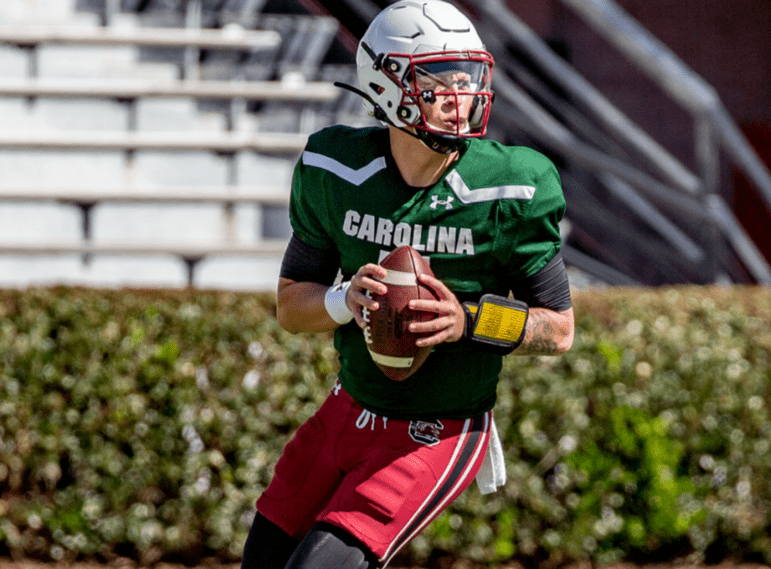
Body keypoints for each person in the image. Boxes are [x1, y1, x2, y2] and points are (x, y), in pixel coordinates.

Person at [240, 1, 574, 568]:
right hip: (347, 411)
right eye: (439, 80)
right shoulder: (338, 169)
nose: (458, 96)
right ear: (387, 83)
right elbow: (291, 307)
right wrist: (343, 301)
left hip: (437, 431)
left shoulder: (510, 185)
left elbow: (559, 329)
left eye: (466, 79)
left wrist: (467, 322)